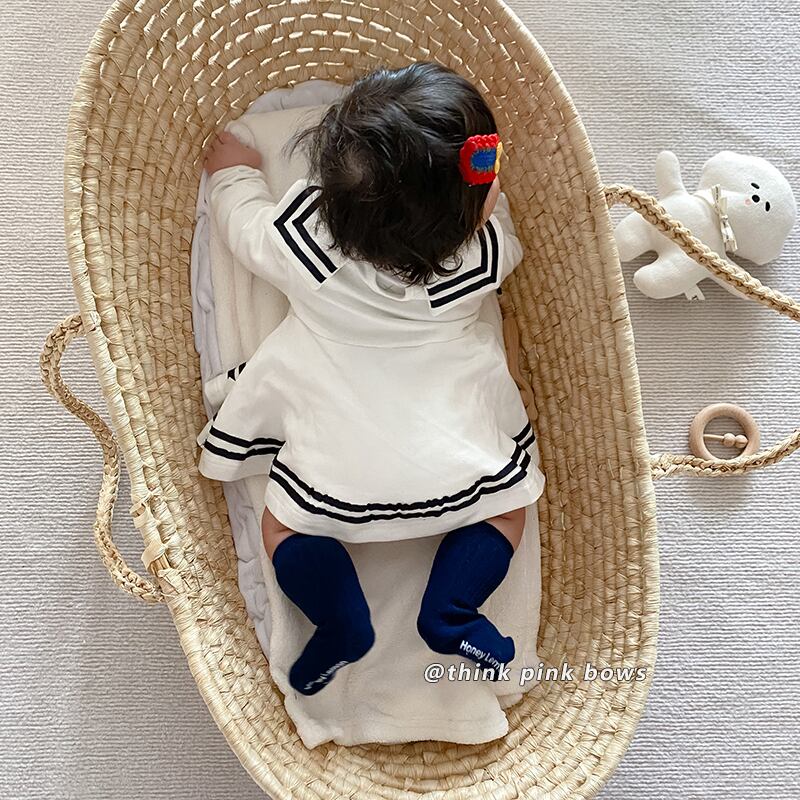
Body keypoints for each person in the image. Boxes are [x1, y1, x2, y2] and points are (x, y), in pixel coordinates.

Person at [198, 62, 545, 695]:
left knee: (283, 524)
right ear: (469, 218)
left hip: (334, 474)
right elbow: (505, 238)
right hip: (456, 462)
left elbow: (242, 227)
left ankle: (339, 623)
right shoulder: (481, 259)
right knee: (508, 506)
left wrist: (234, 173)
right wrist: (479, 216)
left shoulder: (304, 245)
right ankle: (452, 612)